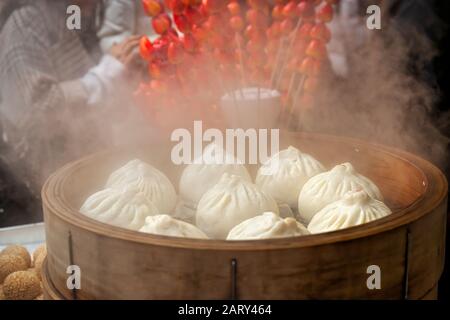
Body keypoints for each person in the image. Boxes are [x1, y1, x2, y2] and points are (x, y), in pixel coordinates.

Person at [0, 0, 143, 225]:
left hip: (76, 179)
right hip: (32, 193)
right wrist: (104, 78)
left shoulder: (75, 19)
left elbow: (89, 111)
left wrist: (122, 80)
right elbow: (33, 111)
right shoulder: (25, 22)